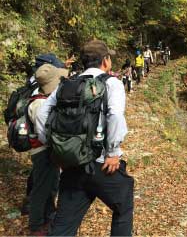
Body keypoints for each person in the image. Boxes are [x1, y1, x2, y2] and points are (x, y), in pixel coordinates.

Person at [36, 39, 134, 236]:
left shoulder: (66, 84)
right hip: (101, 164)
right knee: (123, 206)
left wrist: (56, 148)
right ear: (105, 61)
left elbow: (41, 114)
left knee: (63, 224)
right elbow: (114, 115)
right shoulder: (111, 83)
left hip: (72, 165)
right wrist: (113, 152)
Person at [26, 64, 68, 236]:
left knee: (51, 186)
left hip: (47, 151)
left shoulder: (42, 100)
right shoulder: (38, 104)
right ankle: (36, 225)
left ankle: (48, 217)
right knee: (41, 189)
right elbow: (43, 132)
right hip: (42, 152)